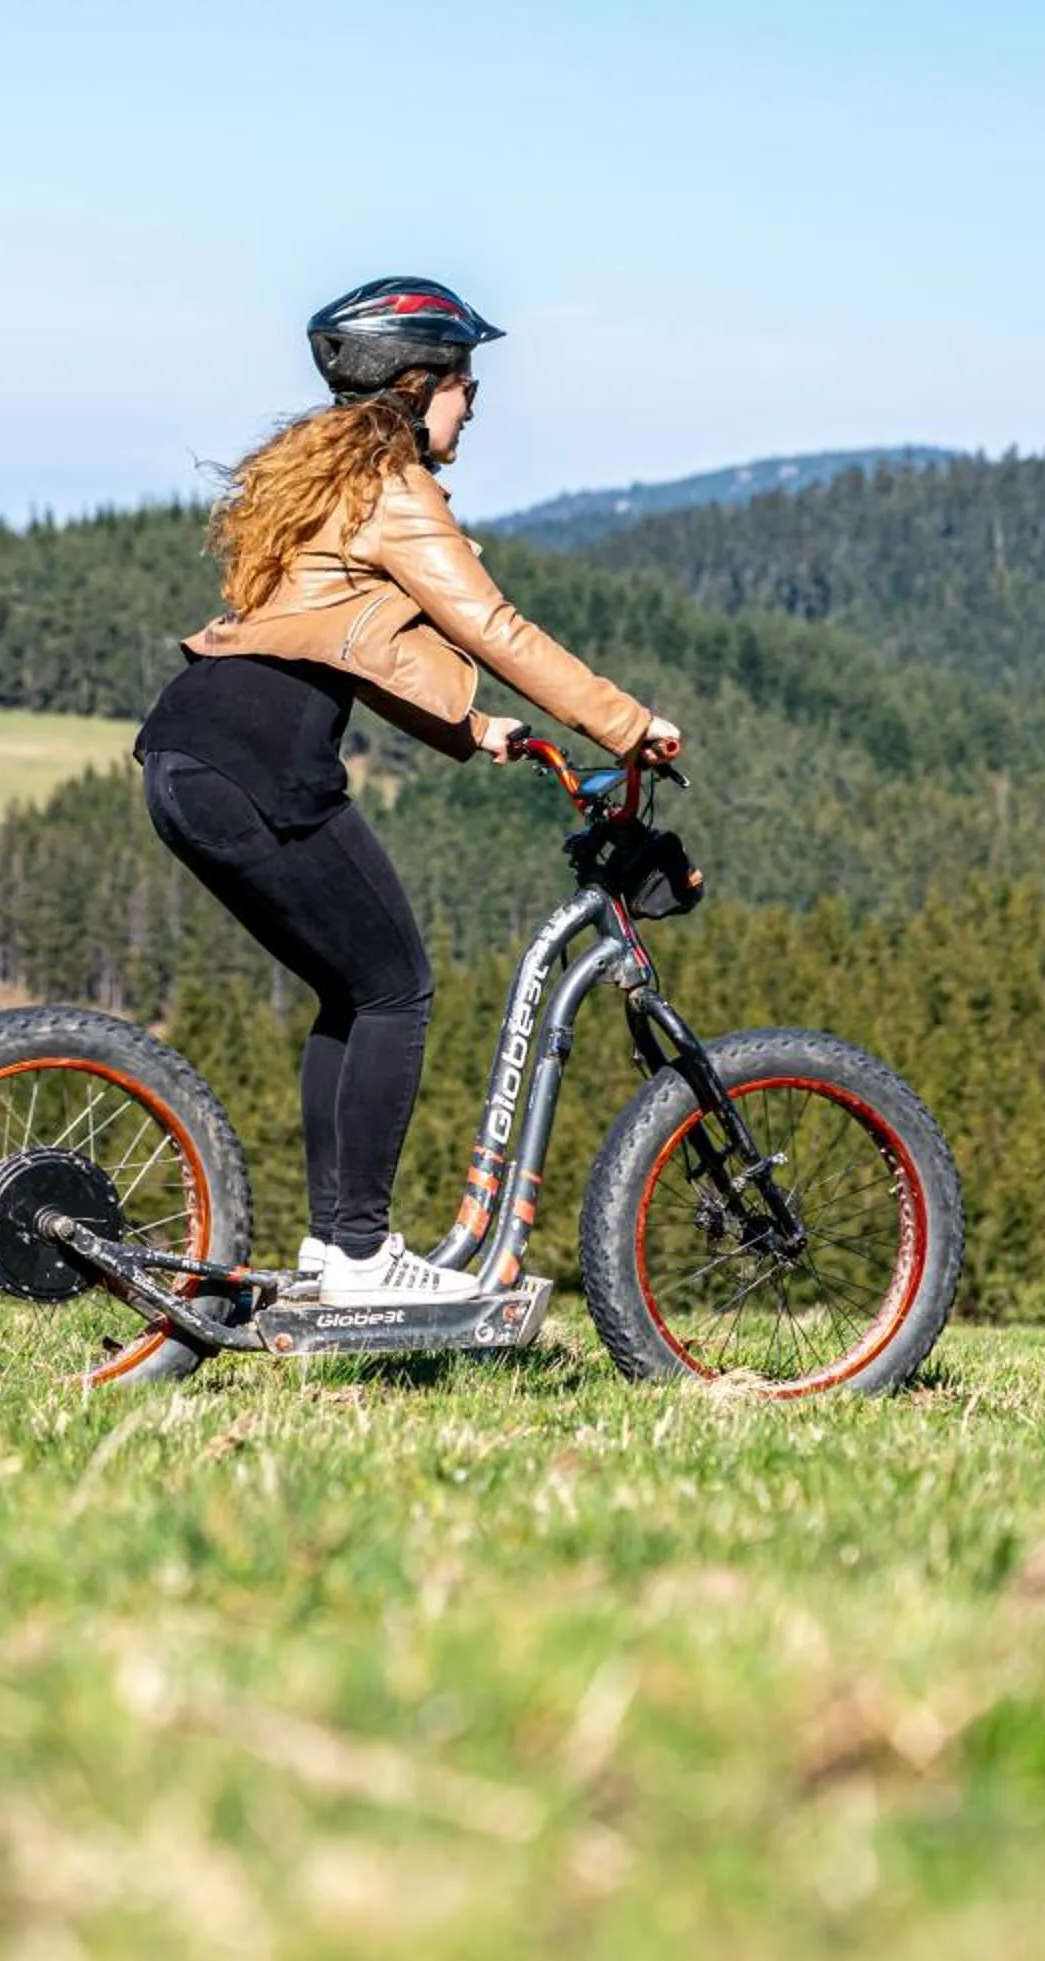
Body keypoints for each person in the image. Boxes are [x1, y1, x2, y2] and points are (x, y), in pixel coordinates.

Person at [135, 277, 682, 1307]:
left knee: (354, 988)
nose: (474, 403)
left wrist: (473, 729)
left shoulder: (329, 487)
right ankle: (359, 1253)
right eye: (467, 381)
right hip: (260, 764)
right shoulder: (394, 488)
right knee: (396, 986)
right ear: (418, 384)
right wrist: (625, 723)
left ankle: (331, 1249)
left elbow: (348, 644)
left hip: (186, 751)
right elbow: (494, 629)